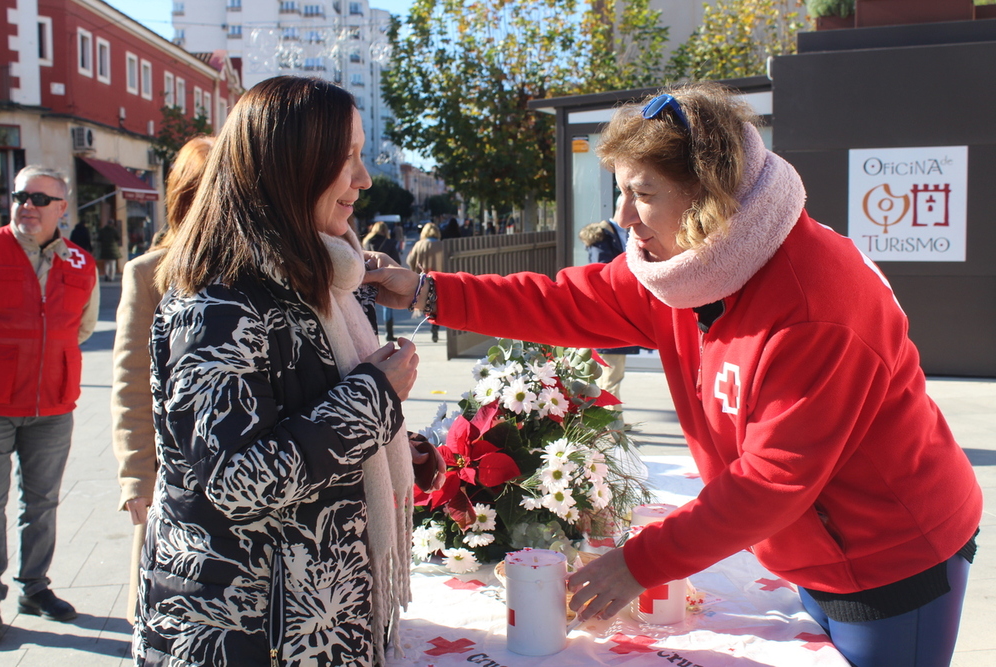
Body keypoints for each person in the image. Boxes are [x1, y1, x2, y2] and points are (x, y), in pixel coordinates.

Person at [366, 82, 983, 667]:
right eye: (620, 191)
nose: (624, 217)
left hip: (891, 561)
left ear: (711, 195)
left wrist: (638, 564)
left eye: (644, 193)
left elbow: (774, 480)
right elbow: (562, 301)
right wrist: (424, 290)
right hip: (813, 549)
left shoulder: (815, 306)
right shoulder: (691, 268)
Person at [134, 76, 441, 667]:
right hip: (247, 632)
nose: (363, 179)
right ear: (289, 167)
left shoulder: (318, 279)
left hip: (310, 620)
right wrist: (374, 400)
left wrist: (401, 443)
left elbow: (308, 417)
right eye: (345, 158)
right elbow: (235, 482)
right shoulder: (215, 305)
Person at [110, 135, 214, 624]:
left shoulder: (252, 266)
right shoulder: (148, 271)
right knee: (163, 606)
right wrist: (135, 474)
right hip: (171, 471)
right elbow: (131, 379)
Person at [0, 166, 99, 637]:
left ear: (63, 208)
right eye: (20, 196)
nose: (27, 205)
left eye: (40, 198)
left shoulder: (80, 262)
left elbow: (82, 328)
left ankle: (34, 587)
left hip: (53, 406)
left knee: (42, 503)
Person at [577, 199, 641, 403]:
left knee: (611, 379)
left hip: (620, 318)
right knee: (609, 381)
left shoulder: (631, 234)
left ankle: (613, 428)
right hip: (608, 319)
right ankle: (616, 433)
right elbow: (602, 275)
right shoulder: (602, 237)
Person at [404, 222, 445, 343]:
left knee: (426, 303)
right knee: (436, 304)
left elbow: (410, 260)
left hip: (423, 280)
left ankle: (430, 321)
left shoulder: (419, 245)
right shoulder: (441, 245)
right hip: (439, 280)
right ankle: (435, 327)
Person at [362, 221, 401, 341]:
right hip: (385, 277)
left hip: (368, 277)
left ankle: (367, 334)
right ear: (385, 230)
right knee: (387, 306)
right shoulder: (389, 242)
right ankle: (389, 333)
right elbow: (397, 261)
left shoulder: (366, 241)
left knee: (366, 304)